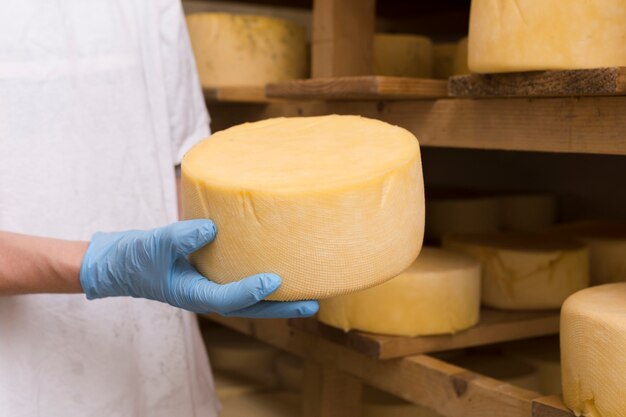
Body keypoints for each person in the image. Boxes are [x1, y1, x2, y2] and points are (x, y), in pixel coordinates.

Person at [0, 1, 318, 416]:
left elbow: (177, 162)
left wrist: (234, 253)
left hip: (155, 367)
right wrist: (101, 264)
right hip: (21, 381)